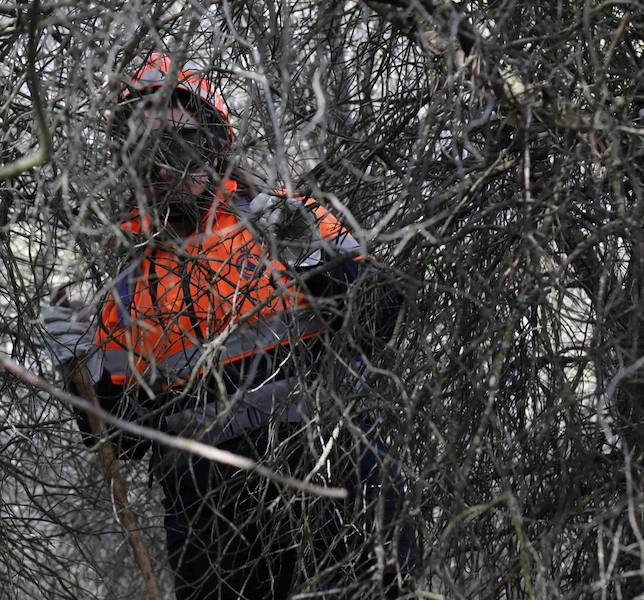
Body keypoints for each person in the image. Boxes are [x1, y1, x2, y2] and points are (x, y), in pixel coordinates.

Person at [42, 53, 416, 599]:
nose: (165, 169)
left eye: (178, 146)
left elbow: (378, 319)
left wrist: (311, 256)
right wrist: (76, 359)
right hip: (211, 521)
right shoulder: (127, 283)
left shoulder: (285, 219)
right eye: (146, 154)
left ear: (215, 142)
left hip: (333, 478)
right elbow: (118, 436)